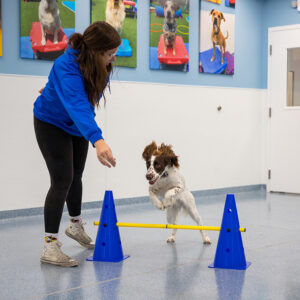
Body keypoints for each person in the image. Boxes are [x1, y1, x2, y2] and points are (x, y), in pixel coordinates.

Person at [33, 21, 121, 267]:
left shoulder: (100, 64)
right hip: (50, 122)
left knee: (76, 175)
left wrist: (54, 89)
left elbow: (86, 99)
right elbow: (77, 105)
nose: (112, 59)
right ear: (94, 51)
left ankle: (75, 226)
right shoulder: (66, 65)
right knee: (61, 179)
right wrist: (98, 140)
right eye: (109, 53)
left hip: (76, 125)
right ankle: (49, 246)